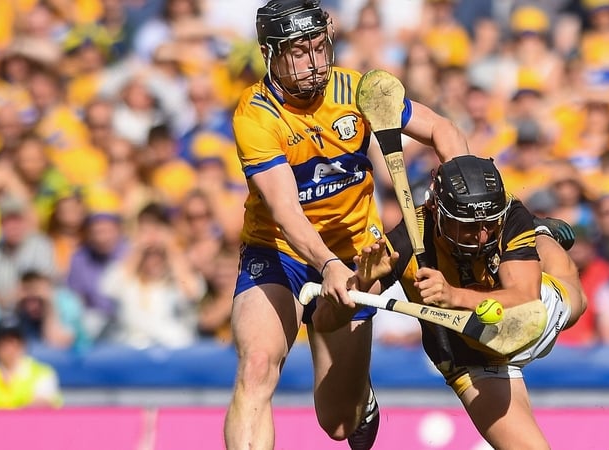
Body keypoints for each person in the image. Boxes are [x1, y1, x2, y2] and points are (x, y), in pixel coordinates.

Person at [224, 1, 469, 449]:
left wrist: (462, 178)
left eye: (319, 47)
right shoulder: (255, 116)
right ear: (269, 53)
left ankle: (361, 398)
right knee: (257, 364)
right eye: (299, 51)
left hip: (361, 256)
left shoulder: (358, 91)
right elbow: (286, 210)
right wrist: (326, 263)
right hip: (280, 251)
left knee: (339, 425)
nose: (314, 62)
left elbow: (442, 130)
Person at [339, 155, 587, 449]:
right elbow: (335, 316)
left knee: (577, 300)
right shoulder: (403, 244)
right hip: (469, 358)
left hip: (525, 321)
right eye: (468, 226)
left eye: (488, 224)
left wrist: (453, 295)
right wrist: (362, 282)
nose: (482, 236)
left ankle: (540, 234)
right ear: (437, 209)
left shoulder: (507, 214)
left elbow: (524, 300)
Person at [0, 313, 63, 409]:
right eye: (3, 342)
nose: (9, 348)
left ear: (23, 344)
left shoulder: (42, 373)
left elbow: (43, 404)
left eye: (14, 342)